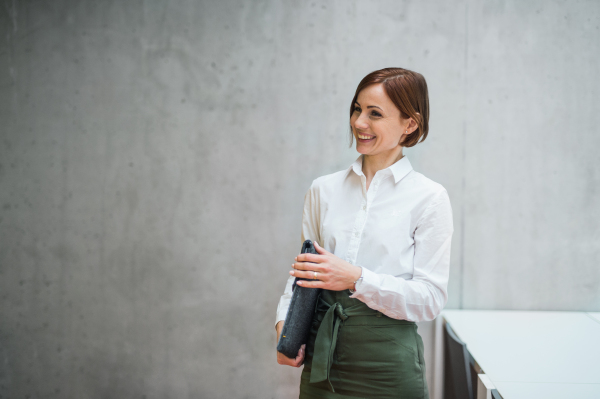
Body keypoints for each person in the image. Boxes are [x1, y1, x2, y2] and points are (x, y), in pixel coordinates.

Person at [275, 67, 454, 399]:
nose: (358, 122)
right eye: (357, 109)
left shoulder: (430, 198)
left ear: (409, 124)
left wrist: (357, 278)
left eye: (375, 113)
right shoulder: (322, 190)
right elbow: (302, 273)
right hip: (322, 360)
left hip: (389, 367)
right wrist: (285, 327)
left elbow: (430, 300)